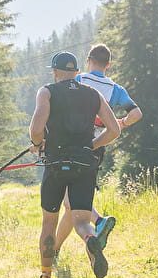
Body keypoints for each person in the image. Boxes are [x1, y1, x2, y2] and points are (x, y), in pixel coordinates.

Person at [28, 51, 121, 278]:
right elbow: (113, 130)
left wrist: (38, 146)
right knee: (80, 221)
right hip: (83, 164)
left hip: (56, 163)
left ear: (55, 72)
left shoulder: (47, 92)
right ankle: (90, 239)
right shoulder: (94, 95)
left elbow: (36, 129)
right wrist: (91, 146)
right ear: (77, 73)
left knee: (50, 222)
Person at [54, 43, 143, 256]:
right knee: (71, 206)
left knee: (72, 202)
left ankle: (99, 221)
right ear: (108, 65)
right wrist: (120, 123)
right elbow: (137, 113)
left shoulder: (79, 79)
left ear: (88, 60)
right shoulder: (116, 89)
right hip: (97, 147)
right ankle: (57, 250)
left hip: (73, 144)